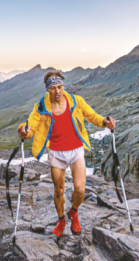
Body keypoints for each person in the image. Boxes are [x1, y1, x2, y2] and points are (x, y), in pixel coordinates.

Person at [17, 70, 115, 238]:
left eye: (60, 87)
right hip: (56, 153)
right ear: (47, 89)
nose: (57, 91)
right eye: (53, 88)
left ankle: (74, 212)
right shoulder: (41, 107)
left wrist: (105, 122)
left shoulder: (76, 101)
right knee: (59, 191)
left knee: (80, 189)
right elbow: (31, 127)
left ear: (64, 86)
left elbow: (92, 117)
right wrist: (23, 130)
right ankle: (61, 220)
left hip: (76, 150)